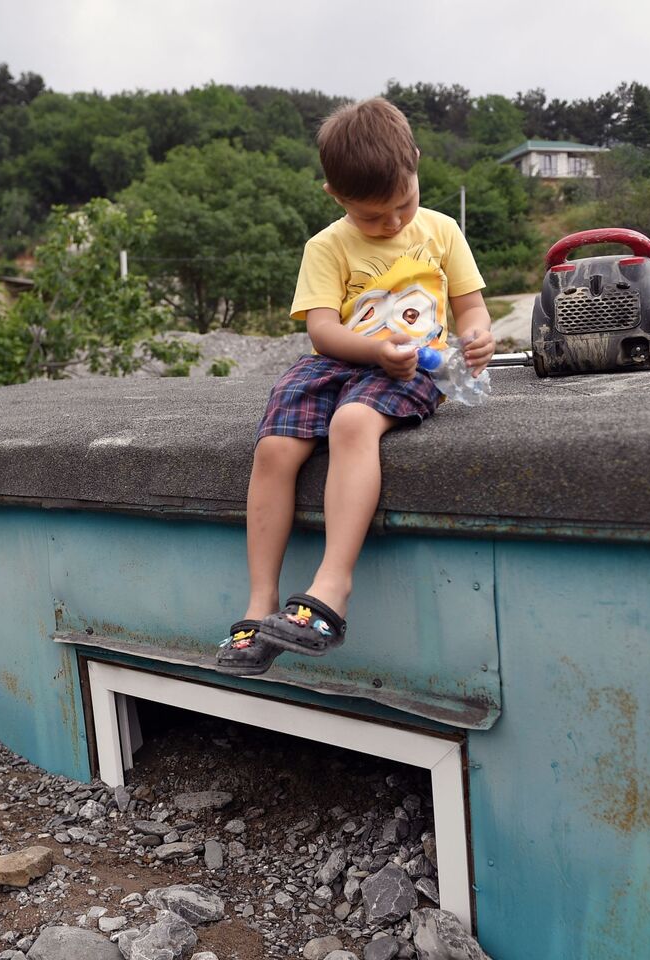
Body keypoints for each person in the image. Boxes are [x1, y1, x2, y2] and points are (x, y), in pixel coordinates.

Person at [215, 97, 494, 676]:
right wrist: (373, 351)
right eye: (372, 217)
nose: (392, 224)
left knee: (352, 423)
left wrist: (477, 339)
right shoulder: (327, 246)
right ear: (334, 197)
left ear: (415, 163)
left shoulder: (441, 231)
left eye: (402, 205)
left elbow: (471, 309)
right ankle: (259, 603)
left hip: (417, 364)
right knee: (273, 448)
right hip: (343, 360)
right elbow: (323, 331)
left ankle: (331, 589)